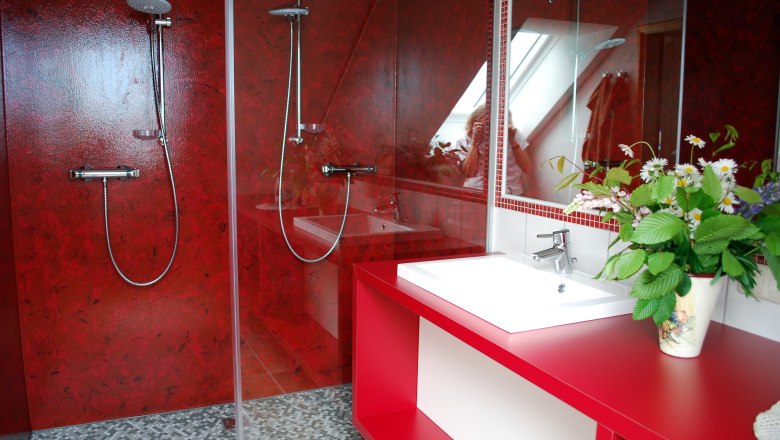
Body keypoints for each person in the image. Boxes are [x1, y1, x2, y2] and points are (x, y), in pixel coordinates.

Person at [458, 104, 532, 194]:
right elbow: (469, 173)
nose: (494, 128)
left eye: (499, 123)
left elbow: (527, 168)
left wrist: (512, 141)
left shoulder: (514, 135)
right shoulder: (464, 141)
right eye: (488, 124)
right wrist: (475, 143)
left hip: (511, 191)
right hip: (477, 190)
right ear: (475, 123)